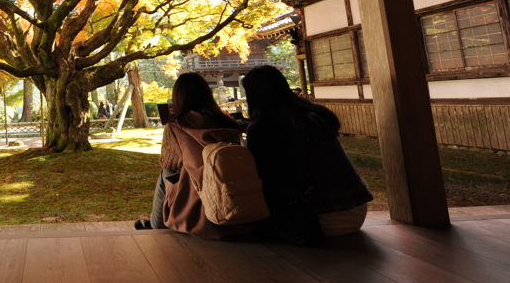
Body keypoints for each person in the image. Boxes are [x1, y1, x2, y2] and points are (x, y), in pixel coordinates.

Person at [241, 65, 373, 246]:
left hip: (319, 220)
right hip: (356, 209)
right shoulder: (314, 114)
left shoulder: (264, 126)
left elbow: (263, 176)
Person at [135, 72, 254, 240]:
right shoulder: (227, 122)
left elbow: (169, 163)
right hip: (233, 193)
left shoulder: (177, 126)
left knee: (166, 174)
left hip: (199, 194)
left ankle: (157, 223)